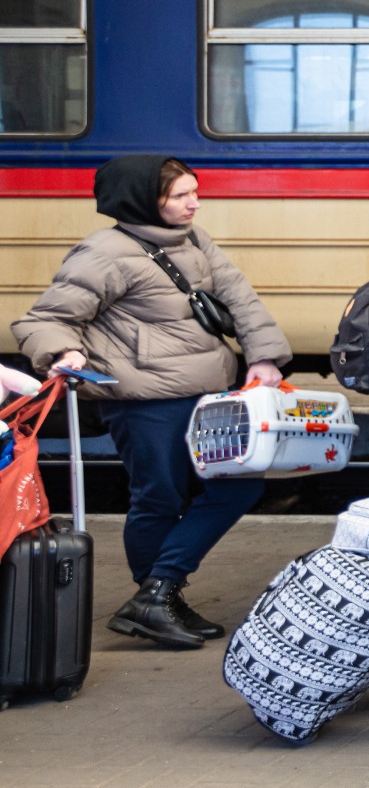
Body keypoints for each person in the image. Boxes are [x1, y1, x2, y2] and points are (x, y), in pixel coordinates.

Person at [13, 155, 292, 651]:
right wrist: (62, 350)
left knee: (238, 487)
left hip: (210, 393)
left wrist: (265, 356)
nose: (195, 203)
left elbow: (241, 298)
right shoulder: (104, 252)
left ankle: (156, 593)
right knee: (158, 497)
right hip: (145, 400)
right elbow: (44, 318)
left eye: (194, 191)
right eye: (181, 195)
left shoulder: (196, 240)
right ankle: (159, 598)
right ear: (144, 198)